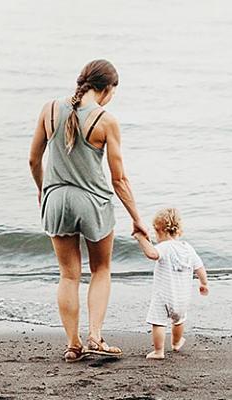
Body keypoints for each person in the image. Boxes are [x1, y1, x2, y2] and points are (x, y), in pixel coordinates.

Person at [29, 59, 151, 362]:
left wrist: (44, 192)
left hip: (56, 199)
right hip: (93, 201)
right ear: (106, 89)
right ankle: (95, 335)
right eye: (112, 92)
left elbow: (33, 160)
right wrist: (137, 219)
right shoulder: (106, 120)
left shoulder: (49, 109)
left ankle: (73, 344)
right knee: (101, 270)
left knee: (68, 276)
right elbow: (119, 178)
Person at [131, 208, 210, 360]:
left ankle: (159, 351)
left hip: (164, 296)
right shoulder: (188, 248)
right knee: (179, 320)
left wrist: (141, 238)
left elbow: (152, 254)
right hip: (182, 297)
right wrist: (204, 283)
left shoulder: (164, 247)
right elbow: (199, 267)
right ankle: (176, 342)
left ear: (159, 230)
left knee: (158, 322)